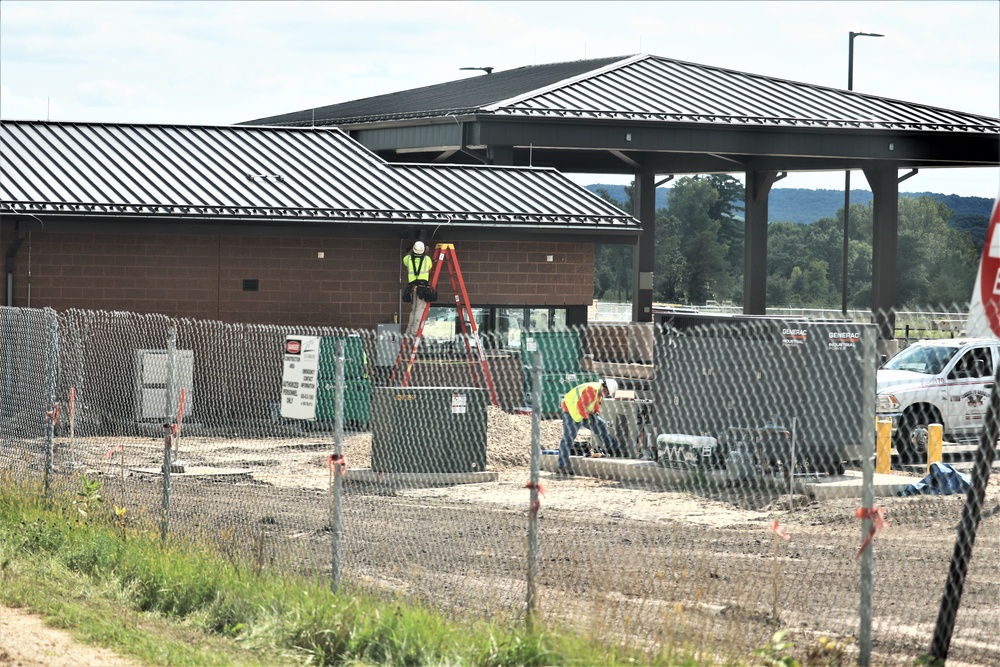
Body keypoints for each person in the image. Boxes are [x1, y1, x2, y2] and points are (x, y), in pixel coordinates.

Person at [556, 378, 622, 475]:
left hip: (583, 413)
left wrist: (596, 413)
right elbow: (580, 406)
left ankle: (613, 448)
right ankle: (562, 465)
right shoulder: (591, 390)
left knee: (601, 425)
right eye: (607, 393)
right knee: (568, 439)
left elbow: (596, 405)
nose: (607, 395)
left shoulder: (599, 392)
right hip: (571, 412)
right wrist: (588, 417)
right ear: (605, 389)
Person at [402, 241, 433, 336]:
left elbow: (406, 258)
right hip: (422, 288)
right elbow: (429, 266)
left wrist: (412, 250)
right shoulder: (427, 259)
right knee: (420, 310)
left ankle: (409, 331)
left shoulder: (408, 259)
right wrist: (426, 252)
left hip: (412, 288)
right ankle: (415, 332)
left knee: (414, 310)